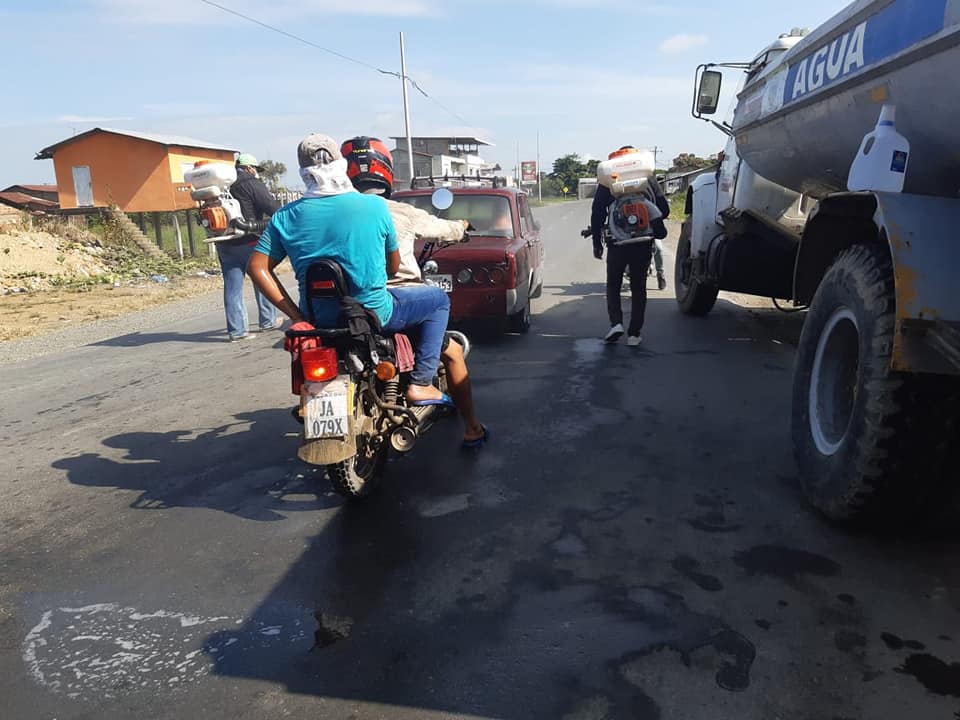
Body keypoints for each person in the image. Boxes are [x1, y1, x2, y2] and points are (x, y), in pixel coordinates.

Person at [247, 133, 451, 407]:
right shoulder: (375, 206)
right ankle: (422, 383)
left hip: (318, 320)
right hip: (375, 314)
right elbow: (393, 267)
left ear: (303, 171)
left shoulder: (285, 216)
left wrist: (297, 317)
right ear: (340, 165)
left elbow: (256, 267)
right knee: (439, 300)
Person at [341, 135, 487, 448]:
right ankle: (469, 426)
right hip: (394, 301)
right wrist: (462, 225)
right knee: (452, 350)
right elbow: (444, 229)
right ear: (384, 171)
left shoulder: (331, 213)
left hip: (342, 305)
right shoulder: (395, 211)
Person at [590, 147, 668, 346]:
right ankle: (634, 334)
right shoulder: (648, 176)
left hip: (617, 242)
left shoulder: (608, 179)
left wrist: (597, 243)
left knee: (613, 284)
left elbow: (597, 212)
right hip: (643, 243)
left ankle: (616, 323)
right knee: (639, 287)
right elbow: (664, 210)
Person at [217, 153, 281, 341]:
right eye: (256, 169)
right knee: (262, 276)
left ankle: (237, 331)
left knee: (232, 287)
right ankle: (268, 321)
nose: (256, 172)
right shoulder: (251, 183)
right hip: (250, 240)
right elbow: (273, 209)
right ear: (249, 168)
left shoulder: (221, 185)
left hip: (225, 241)